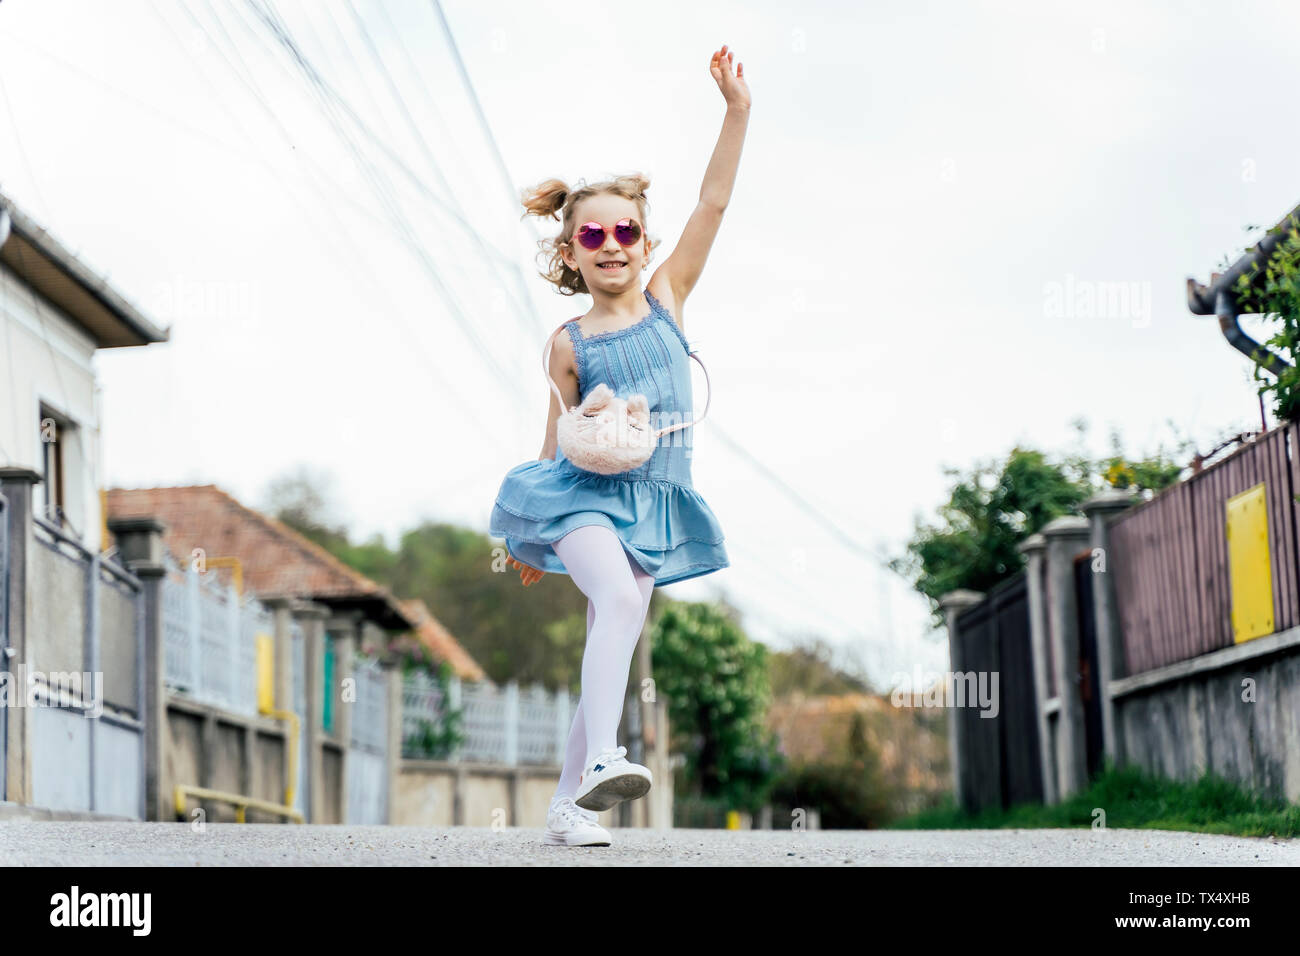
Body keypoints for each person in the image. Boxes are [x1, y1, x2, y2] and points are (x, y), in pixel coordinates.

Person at [490, 45, 750, 847]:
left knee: (626, 611)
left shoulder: (669, 299)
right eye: (591, 234)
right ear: (571, 253)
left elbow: (712, 203)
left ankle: (570, 804)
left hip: (655, 496)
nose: (610, 244)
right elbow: (556, 431)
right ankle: (605, 757)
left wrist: (736, 111)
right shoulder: (569, 341)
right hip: (581, 497)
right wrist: (532, 530)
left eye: (624, 231)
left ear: (644, 241)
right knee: (619, 600)